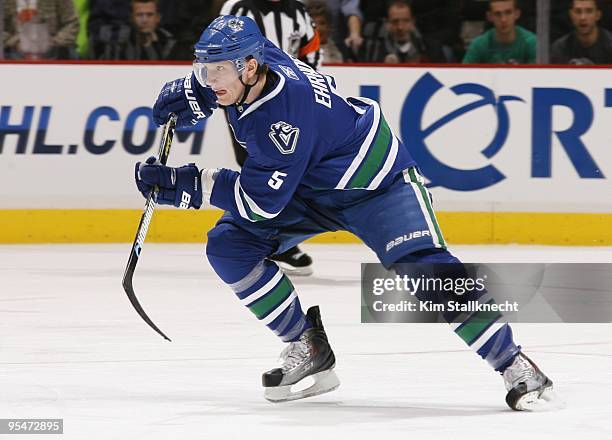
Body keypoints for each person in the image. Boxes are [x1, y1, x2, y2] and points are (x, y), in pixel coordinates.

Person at [134, 15, 555, 409]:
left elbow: (261, 204)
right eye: (205, 68)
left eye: (218, 70)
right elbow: (229, 87)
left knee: (425, 272)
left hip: (376, 185)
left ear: (247, 66)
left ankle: (515, 364)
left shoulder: (282, 122)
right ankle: (308, 346)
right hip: (312, 181)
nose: (210, 78)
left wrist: (187, 185)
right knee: (230, 245)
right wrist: (196, 91)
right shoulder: (264, 59)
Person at [218, 0, 322, 275]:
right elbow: (217, 51)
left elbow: (311, 51)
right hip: (247, 102)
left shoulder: (298, 11)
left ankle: (275, 237)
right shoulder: (238, 7)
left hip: (291, 105)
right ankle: (266, 237)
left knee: (288, 169)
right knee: (258, 167)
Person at [360, 0, 445, 64]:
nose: (400, 27)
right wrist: (382, 66)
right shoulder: (373, 49)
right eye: (395, 22)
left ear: (413, 22)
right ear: (387, 24)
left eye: (405, 21)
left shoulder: (431, 48)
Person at [463, 0, 536, 64]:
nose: (503, 19)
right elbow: (464, 75)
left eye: (508, 12)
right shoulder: (479, 45)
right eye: (497, 14)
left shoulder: (532, 43)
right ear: (489, 17)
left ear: (517, 14)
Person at [3, 0, 79, 59]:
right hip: (12, 53)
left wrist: (54, 42)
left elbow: (71, 23)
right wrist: (14, 42)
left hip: (55, 52)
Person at [551, 0, 612, 64]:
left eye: (589, 11)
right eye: (578, 11)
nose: (582, 17)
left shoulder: (610, 45)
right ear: (571, 15)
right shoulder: (560, 48)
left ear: (598, 15)